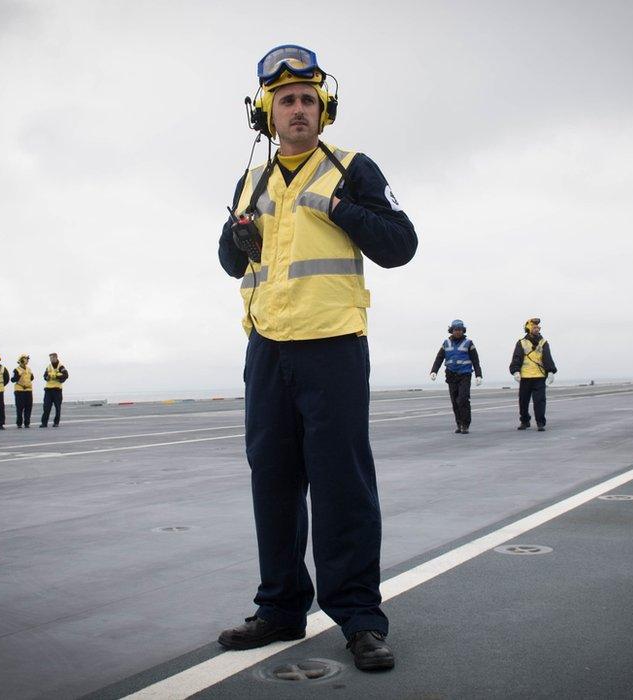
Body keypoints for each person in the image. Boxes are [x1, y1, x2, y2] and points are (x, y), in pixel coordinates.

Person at [217, 44, 417, 671]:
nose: (298, 109)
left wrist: (337, 208)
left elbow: (400, 244)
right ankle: (280, 608)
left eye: (308, 99)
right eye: (286, 101)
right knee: (272, 482)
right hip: (267, 352)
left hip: (333, 348)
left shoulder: (351, 168)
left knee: (341, 487)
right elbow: (230, 262)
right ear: (265, 114)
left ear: (323, 111)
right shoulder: (250, 180)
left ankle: (359, 619)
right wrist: (237, 237)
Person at [429, 319, 483, 433]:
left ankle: (465, 424)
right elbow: (439, 358)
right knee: (455, 401)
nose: (458, 332)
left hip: (465, 375)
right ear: (451, 331)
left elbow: (475, 360)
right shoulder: (446, 343)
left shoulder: (469, 343)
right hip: (451, 375)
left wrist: (479, 375)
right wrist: (434, 371)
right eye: (455, 330)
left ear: (463, 330)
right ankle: (459, 423)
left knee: (463, 399)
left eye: (460, 330)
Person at [509, 318, 557, 431]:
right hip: (525, 377)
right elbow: (516, 358)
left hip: (539, 377)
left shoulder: (543, 342)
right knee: (523, 401)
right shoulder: (521, 342)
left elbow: (547, 357)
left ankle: (540, 422)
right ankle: (524, 421)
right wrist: (515, 371)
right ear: (528, 329)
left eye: (538, 327)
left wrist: (550, 371)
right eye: (534, 327)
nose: (537, 329)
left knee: (540, 401)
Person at [40, 352, 68, 428]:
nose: (51, 359)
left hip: (57, 390)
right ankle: (44, 423)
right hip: (48, 390)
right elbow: (45, 376)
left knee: (57, 407)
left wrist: (57, 377)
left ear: (56, 358)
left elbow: (66, 375)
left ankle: (56, 422)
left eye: (52, 358)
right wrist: (47, 378)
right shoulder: (48, 366)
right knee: (46, 407)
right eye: (50, 358)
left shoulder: (61, 366)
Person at [11, 353, 34, 428]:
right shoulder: (16, 370)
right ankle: (19, 423)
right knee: (20, 407)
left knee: (28, 407)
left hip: (28, 390)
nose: (27, 360)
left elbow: (32, 378)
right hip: (19, 390)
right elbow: (12, 379)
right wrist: (18, 375)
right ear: (21, 360)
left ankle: (27, 423)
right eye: (26, 359)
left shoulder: (29, 369)